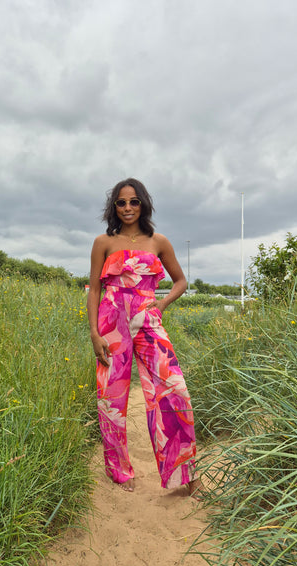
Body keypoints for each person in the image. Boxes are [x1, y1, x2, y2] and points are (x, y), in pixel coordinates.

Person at [87, 178, 203, 497]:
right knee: (111, 398)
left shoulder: (159, 241)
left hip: (148, 318)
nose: (127, 208)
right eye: (121, 203)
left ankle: (185, 473)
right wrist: (94, 333)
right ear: (114, 207)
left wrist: (161, 304)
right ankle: (119, 471)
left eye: (134, 202)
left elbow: (180, 281)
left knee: (173, 389)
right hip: (111, 320)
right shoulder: (103, 243)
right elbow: (95, 289)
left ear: (143, 204)